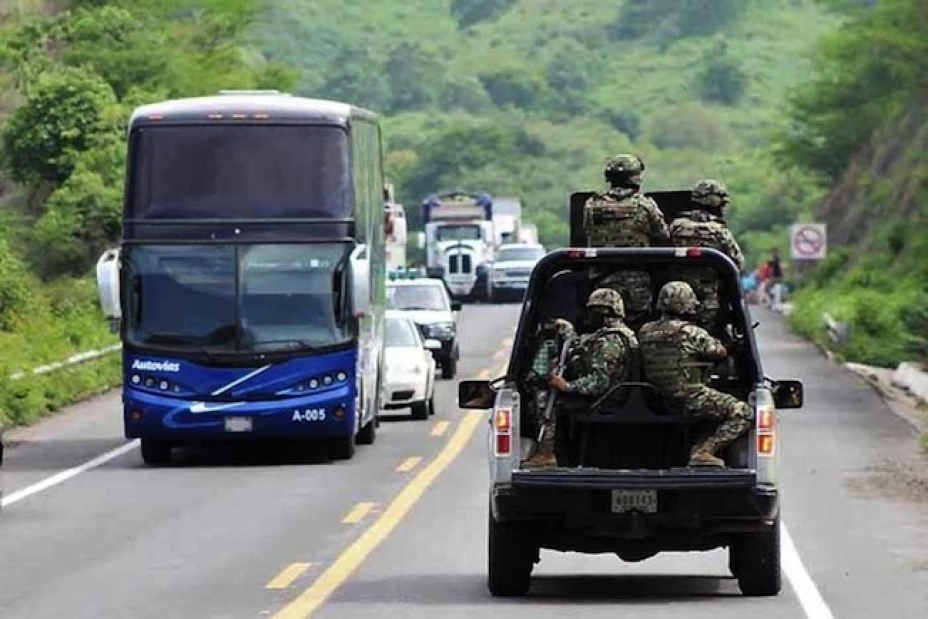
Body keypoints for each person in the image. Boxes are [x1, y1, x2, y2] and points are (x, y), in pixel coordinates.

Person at [637, 281, 753, 468]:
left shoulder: (644, 331)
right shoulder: (691, 332)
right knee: (743, 412)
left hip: (657, 400)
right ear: (686, 304)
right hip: (691, 398)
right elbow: (720, 352)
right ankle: (704, 451)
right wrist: (733, 344)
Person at [522, 288, 637, 468]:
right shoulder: (608, 335)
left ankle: (547, 453)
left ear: (608, 312)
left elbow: (600, 381)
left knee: (545, 398)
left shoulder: (610, 340)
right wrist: (569, 333)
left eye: (597, 310)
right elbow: (584, 353)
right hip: (607, 394)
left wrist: (567, 386)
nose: (591, 314)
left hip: (607, 398)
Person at [583, 154, 669, 327]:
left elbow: (587, 231)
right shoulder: (645, 205)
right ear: (635, 177)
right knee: (638, 325)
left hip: (602, 281)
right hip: (637, 281)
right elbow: (663, 237)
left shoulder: (592, 206)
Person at [667, 178, 745, 334]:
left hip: (671, 297)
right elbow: (738, 263)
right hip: (708, 301)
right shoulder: (719, 231)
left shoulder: (675, 226)